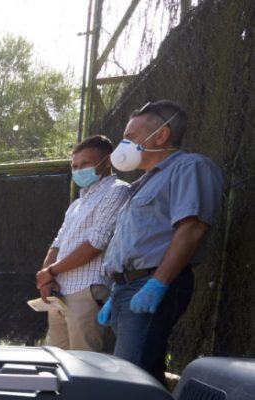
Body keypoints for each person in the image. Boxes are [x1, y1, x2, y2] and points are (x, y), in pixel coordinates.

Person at [97, 100, 224, 383]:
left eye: (130, 137)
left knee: (129, 380)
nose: (123, 145)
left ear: (161, 135)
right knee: (145, 376)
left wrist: (158, 283)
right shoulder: (142, 183)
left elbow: (192, 228)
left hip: (151, 283)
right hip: (126, 288)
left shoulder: (190, 167)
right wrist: (117, 288)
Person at [34, 135, 130, 352]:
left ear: (107, 162)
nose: (78, 170)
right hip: (60, 293)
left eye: (85, 164)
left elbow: (97, 242)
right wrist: (47, 277)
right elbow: (58, 242)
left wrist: (51, 270)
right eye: (75, 166)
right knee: (57, 362)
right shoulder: (77, 203)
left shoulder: (117, 190)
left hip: (87, 292)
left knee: (85, 365)